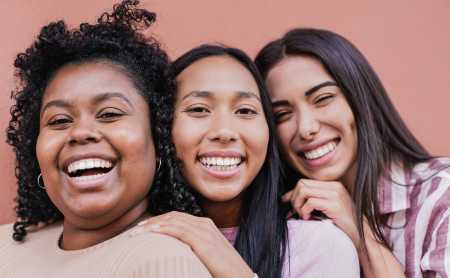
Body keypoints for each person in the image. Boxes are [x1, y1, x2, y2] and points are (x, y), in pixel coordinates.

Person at [0, 2, 211, 277]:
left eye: (110, 113)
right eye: (59, 120)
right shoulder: (7, 242)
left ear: (158, 144)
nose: (80, 132)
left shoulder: (164, 261)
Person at [131, 45, 360, 278]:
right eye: (199, 109)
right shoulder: (135, 240)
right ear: (162, 128)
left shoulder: (320, 245)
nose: (224, 131)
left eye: (245, 111)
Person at [254, 28, 450, 278]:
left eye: (322, 98)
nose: (305, 128)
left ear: (360, 97)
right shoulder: (290, 221)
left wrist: (360, 231)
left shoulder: (441, 196)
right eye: (282, 115)